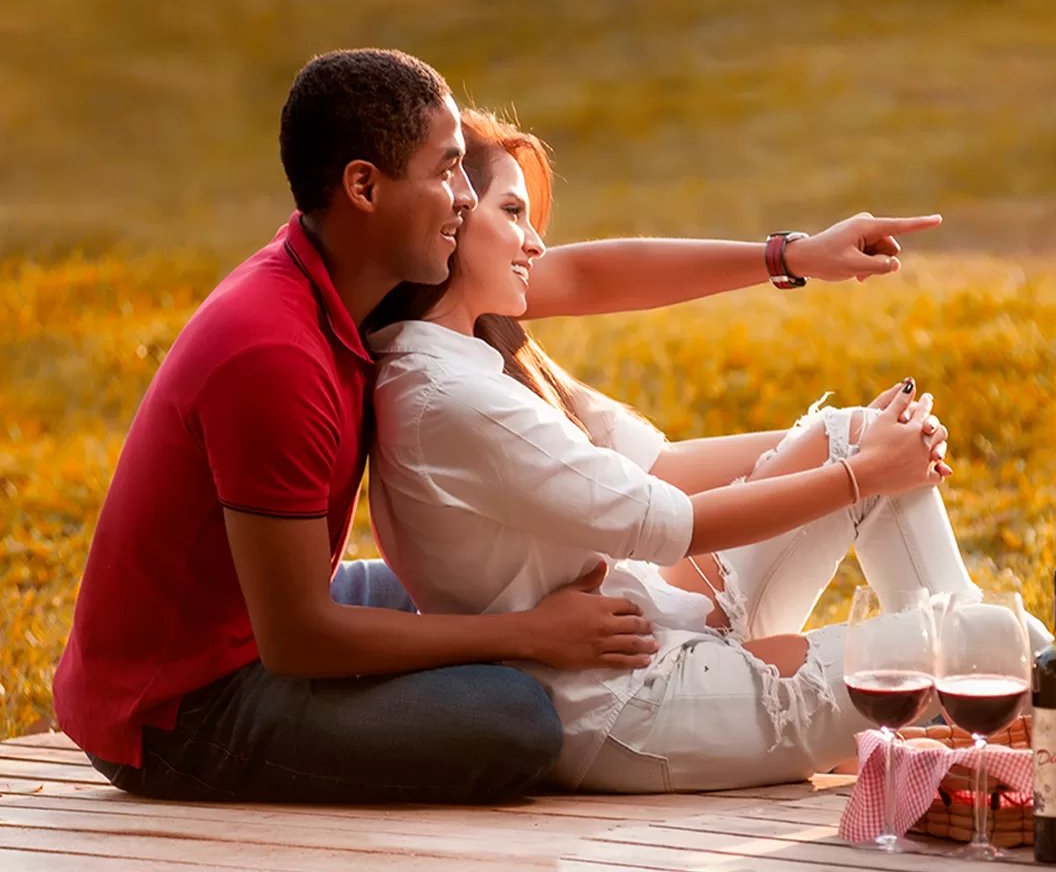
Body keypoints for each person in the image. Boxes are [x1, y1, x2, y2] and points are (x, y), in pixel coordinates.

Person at [365, 107, 1056, 801]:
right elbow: (668, 521)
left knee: (860, 448)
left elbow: (656, 458)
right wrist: (865, 476)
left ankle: (990, 713)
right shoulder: (454, 395)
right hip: (632, 705)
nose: (539, 245)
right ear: (450, 229)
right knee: (980, 628)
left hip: (657, 629)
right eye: (512, 213)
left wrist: (851, 441)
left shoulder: (485, 347)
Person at [51, 48, 940, 803]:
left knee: (488, 582)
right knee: (513, 718)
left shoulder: (376, 276)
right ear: (363, 187)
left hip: (264, 607)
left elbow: (585, 277)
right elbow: (298, 639)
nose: (463, 197)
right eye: (446, 171)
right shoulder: (273, 354)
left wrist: (792, 255)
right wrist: (526, 635)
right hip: (184, 707)